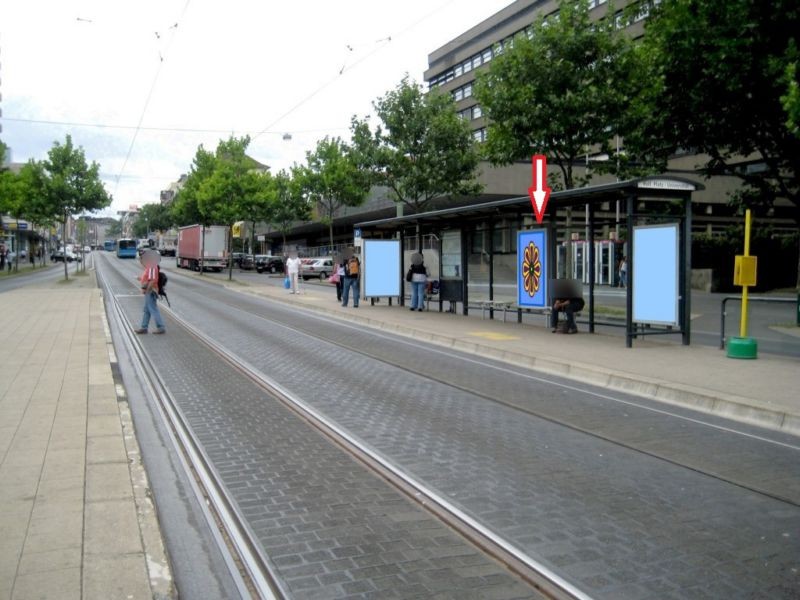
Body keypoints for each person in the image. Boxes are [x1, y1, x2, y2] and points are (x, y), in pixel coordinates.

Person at [134, 250, 166, 334]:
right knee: (147, 310)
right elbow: (148, 279)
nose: (141, 261)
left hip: (151, 291)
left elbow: (152, 280)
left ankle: (160, 327)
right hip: (149, 290)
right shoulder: (150, 266)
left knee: (153, 309)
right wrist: (140, 279)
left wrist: (147, 290)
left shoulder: (152, 266)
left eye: (141, 259)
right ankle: (144, 327)